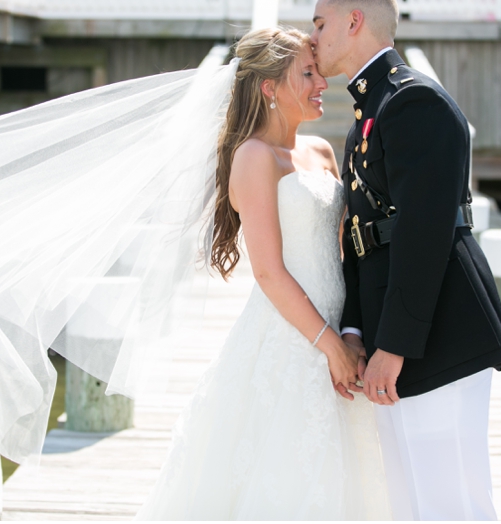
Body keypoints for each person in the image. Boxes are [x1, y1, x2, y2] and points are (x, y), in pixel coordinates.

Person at [136, 27, 390, 520]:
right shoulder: (253, 157)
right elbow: (269, 273)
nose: (322, 83)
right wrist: (330, 346)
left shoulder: (321, 152)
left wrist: (353, 334)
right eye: (308, 73)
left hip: (342, 330)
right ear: (270, 88)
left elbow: (345, 252)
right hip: (292, 335)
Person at [309, 0, 501, 520]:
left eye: (320, 23)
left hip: (436, 332)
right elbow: (363, 237)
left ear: (355, 22)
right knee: (411, 503)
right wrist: (356, 330)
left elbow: (426, 233)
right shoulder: (371, 107)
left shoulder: (411, 100)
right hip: (397, 334)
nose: (313, 37)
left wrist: (394, 346)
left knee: (452, 502)